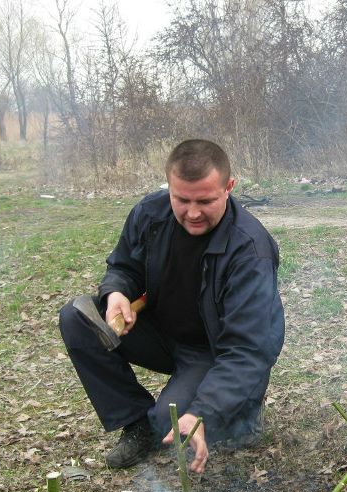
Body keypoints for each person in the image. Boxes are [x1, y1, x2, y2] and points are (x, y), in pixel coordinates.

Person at [59, 139, 285, 473]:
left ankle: (242, 409)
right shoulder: (150, 213)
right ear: (169, 188)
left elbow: (250, 350)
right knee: (77, 319)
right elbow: (124, 267)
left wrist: (203, 412)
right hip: (159, 333)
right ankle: (134, 422)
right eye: (182, 199)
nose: (192, 212)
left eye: (205, 201)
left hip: (213, 351)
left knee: (170, 425)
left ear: (229, 188)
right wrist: (116, 294)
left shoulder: (250, 250)